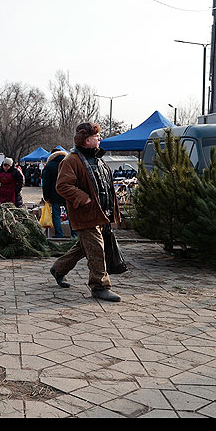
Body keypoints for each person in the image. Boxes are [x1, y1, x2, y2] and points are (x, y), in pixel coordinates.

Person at [49, 122, 122, 302]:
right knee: (97, 249)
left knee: (83, 247)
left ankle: (58, 269)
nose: (100, 139)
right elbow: (63, 186)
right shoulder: (71, 160)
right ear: (87, 140)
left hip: (100, 213)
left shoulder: (97, 158)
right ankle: (100, 286)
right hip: (85, 213)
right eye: (97, 137)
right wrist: (84, 198)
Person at [42, 149, 76, 238]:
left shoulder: (49, 165)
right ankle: (74, 234)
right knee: (71, 215)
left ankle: (59, 234)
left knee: (56, 216)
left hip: (55, 194)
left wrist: (46, 197)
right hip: (68, 194)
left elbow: (46, 183)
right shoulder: (69, 162)